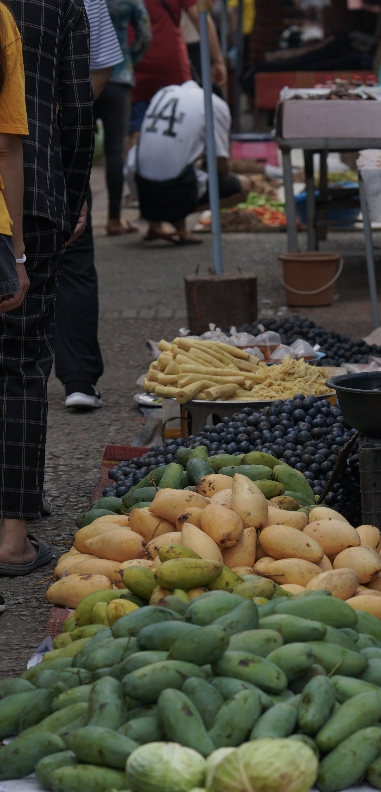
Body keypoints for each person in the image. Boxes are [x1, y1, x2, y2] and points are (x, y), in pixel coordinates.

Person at [0, 0, 92, 575]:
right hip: (30, 195)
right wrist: (73, 189)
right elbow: (77, 107)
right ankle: (12, 539)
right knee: (20, 365)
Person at [54, 0, 123, 414]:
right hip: (60, 138)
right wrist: (62, 111)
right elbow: (103, 65)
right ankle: (78, 381)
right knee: (73, 254)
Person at [132, 79, 247, 244]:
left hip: (142, 192)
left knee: (172, 163)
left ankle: (156, 224)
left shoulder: (165, 92)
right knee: (243, 186)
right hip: (171, 192)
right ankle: (175, 218)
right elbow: (222, 166)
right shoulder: (215, 105)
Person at [95, 0, 152, 236]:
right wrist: (129, 59)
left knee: (79, 149)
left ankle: (78, 216)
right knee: (115, 151)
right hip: (119, 76)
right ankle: (114, 218)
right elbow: (145, 35)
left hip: (86, 75)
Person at [131, 0, 225, 134]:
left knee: (136, 129)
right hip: (171, 62)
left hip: (135, 62)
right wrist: (217, 61)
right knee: (180, 123)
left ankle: (135, 153)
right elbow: (200, 18)